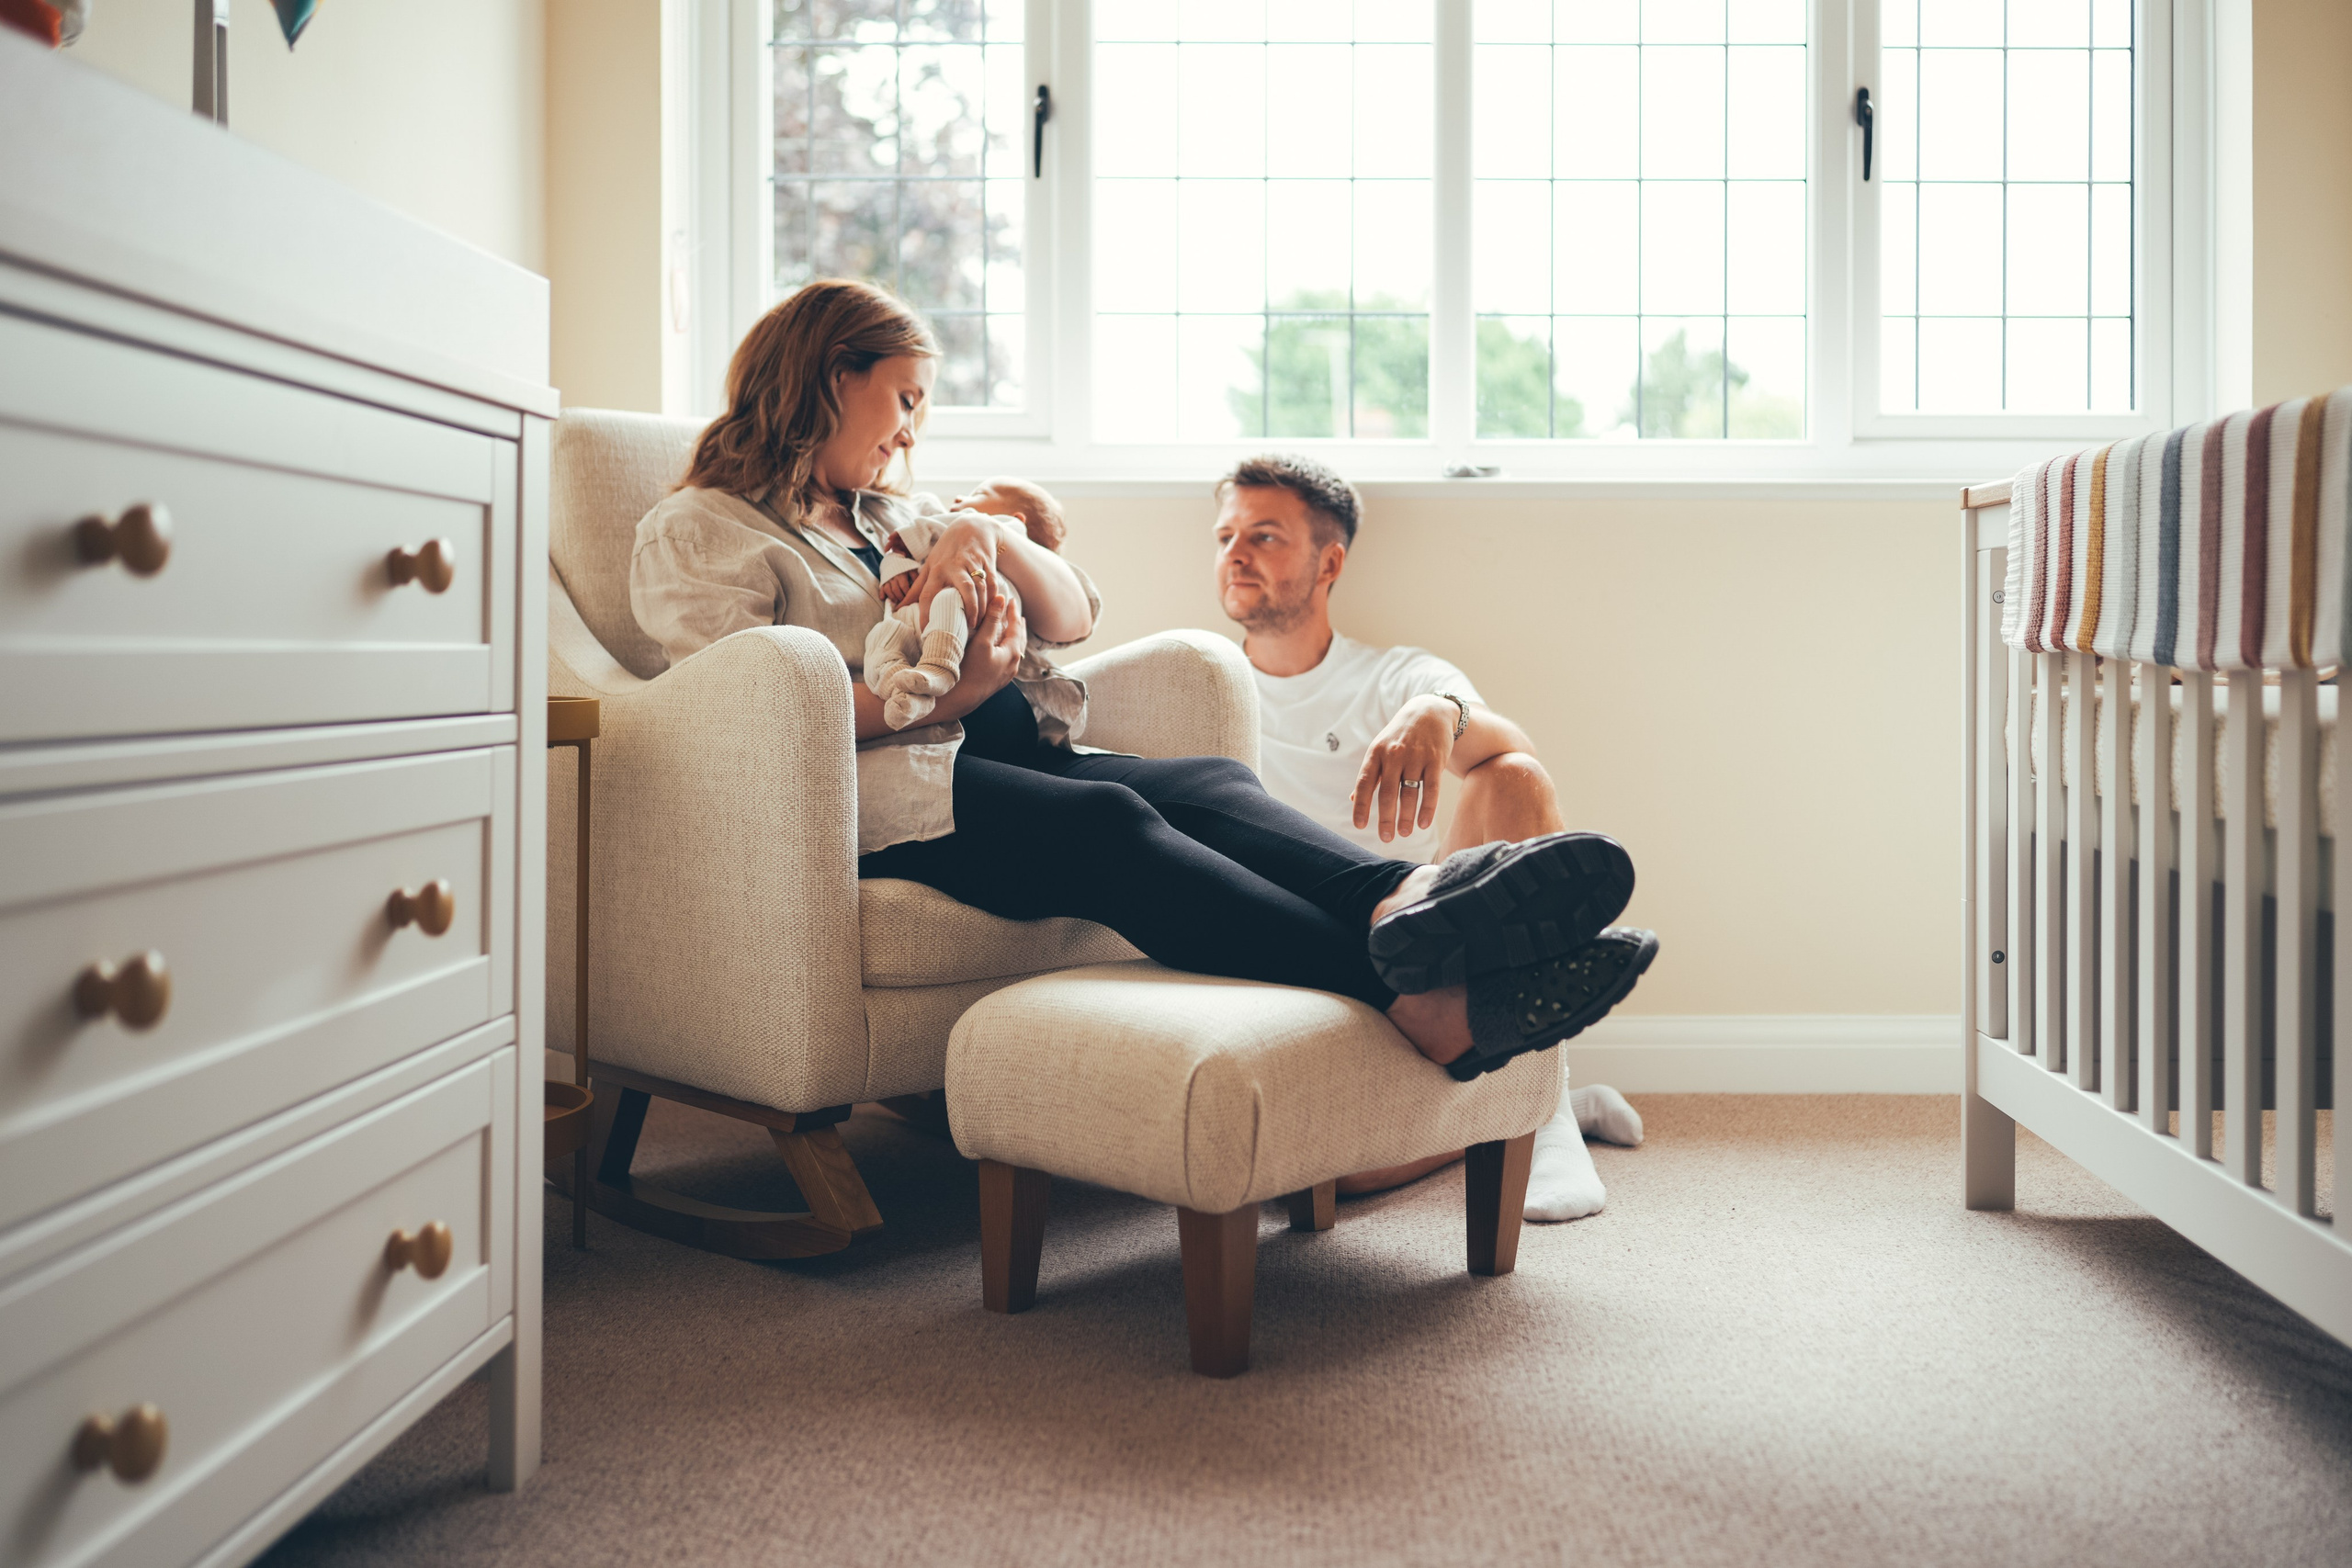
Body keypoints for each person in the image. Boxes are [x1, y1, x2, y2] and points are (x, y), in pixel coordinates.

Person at [628, 279, 1654, 1111]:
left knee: (1205, 780)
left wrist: (984, 533)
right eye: (902, 397)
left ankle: (1413, 904)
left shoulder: (895, 512)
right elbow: (753, 713)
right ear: (824, 378)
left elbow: (1072, 613)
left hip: (1003, 754)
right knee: (1107, 820)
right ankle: (1420, 992)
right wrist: (956, 692)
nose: (910, 428)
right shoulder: (703, 530)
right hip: (879, 796)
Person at [1213, 454, 1651, 1220]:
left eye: (1265, 535)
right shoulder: (1201, 682)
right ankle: (1542, 1103)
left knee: (1514, 776)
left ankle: (1543, 1120)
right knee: (1320, 1174)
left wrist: (1437, 712)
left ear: (1330, 561)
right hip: (1294, 965)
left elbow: (1508, 746)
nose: (1235, 553)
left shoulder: (1389, 675)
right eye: (1224, 536)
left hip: (1423, 950)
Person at [865, 479, 1072, 730]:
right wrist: (896, 569)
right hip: (921, 620)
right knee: (882, 635)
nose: (960, 499)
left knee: (950, 599)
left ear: (1016, 518)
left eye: (979, 493)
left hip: (968, 616)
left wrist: (896, 565)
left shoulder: (994, 526)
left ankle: (938, 669)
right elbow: (901, 552)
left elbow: (905, 541)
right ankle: (902, 691)